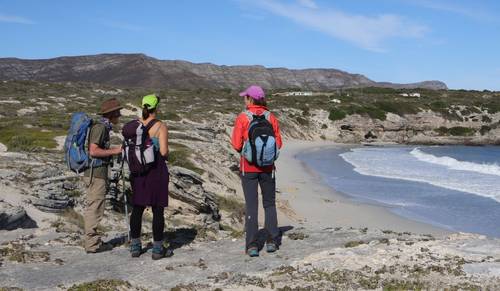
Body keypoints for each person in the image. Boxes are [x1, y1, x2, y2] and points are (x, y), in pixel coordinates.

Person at [231, 85, 283, 257]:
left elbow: (236, 144)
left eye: (245, 97)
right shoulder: (271, 117)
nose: (244, 99)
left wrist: (247, 153)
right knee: (269, 203)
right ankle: (272, 241)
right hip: (268, 168)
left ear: (250, 99)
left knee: (252, 205)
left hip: (249, 167)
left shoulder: (243, 117)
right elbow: (279, 144)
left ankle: (252, 245)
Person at [128, 94, 170, 260]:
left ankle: (135, 246)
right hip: (156, 170)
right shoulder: (160, 126)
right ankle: (158, 249)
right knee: (157, 209)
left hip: (138, 171)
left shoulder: (136, 126)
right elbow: (164, 152)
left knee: (137, 209)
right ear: (156, 108)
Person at [84, 98, 123, 253]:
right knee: (95, 208)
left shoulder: (103, 127)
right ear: (112, 114)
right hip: (96, 173)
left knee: (95, 206)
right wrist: (116, 151)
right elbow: (93, 151)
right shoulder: (100, 128)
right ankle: (92, 244)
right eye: (118, 112)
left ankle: (92, 241)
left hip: (97, 173)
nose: (119, 115)